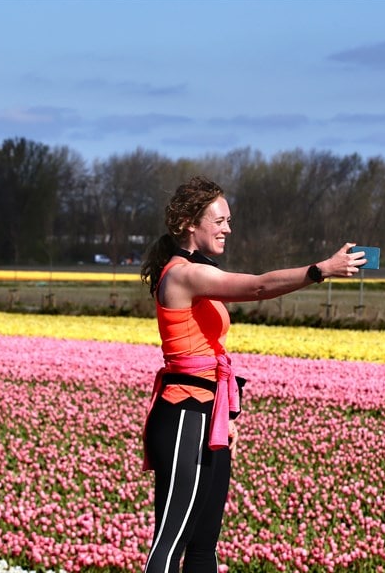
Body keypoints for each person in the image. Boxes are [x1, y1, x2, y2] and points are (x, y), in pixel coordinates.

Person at [138, 175, 366, 573]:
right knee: (171, 543)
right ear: (191, 223)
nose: (229, 229)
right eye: (220, 221)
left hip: (208, 417)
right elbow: (259, 287)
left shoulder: (197, 272)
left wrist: (223, 416)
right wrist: (321, 269)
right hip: (183, 414)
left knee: (205, 546)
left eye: (229, 220)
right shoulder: (182, 274)